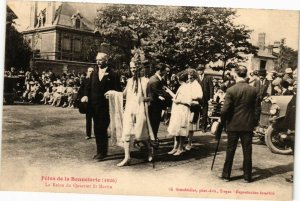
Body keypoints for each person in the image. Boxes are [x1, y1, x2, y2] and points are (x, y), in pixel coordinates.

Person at [220, 65, 260, 183]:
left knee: (230, 150)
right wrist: (254, 122)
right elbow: (258, 109)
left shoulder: (231, 90)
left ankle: (226, 175)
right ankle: (247, 177)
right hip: (248, 125)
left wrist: (223, 121)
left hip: (233, 124)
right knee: (247, 150)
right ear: (246, 74)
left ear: (236, 75)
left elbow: (224, 110)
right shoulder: (253, 90)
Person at [81, 52, 121, 160]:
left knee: (102, 128)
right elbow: (87, 87)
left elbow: (118, 90)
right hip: (94, 106)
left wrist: (111, 93)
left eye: (100, 60)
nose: (98, 62)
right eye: (97, 60)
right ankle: (100, 151)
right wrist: (85, 95)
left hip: (106, 107)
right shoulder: (93, 73)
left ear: (106, 61)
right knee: (97, 129)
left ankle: (103, 152)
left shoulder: (113, 74)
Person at [117, 61, 152, 166]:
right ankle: (127, 158)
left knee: (140, 135)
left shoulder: (146, 81)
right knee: (126, 133)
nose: (133, 70)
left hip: (140, 110)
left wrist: (145, 99)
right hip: (129, 110)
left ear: (139, 68)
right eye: (131, 68)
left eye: (135, 68)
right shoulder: (129, 81)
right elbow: (123, 94)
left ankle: (150, 150)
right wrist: (112, 94)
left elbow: (151, 96)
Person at [166, 71, 191, 156]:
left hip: (182, 110)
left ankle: (180, 148)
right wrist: (169, 91)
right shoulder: (181, 87)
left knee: (181, 129)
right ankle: (175, 147)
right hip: (178, 110)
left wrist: (178, 101)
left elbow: (188, 101)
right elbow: (176, 97)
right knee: (176, 129)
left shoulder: (187, 88)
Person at [146, 63, 171, 146]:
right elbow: (162, 93)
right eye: (164, 70)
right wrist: (173, 97)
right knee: (154, 122)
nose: (165, 72)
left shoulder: (158, 79)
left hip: (156, 104)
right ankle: (153, 140)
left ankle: (154, 138)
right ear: (160, 70)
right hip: (154, 105)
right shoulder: (154, 80)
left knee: (155, 122)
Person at [186, 68, 203, 150]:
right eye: (188, 77)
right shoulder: (188, 84)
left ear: (194, 77)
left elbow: (200, 95)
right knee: (186, 123)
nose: (189, 79)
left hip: (194, 105)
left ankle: (189, 143)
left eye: (191, 78)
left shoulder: (197, 85)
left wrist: (192, 96)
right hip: (186, 105)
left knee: (191, 125)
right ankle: (186, 141)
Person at [196, 65, 214, 132]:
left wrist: (211, 97)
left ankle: (204, 127)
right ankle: (196, 126)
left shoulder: (208, 77)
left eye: (201, 70)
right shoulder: (196, 78)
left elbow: (211, 87)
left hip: (205, 97)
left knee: (204, 113)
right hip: (197, 97)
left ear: (203, 70)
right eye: (198, 70)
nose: (199, 71)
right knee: (196, 111)